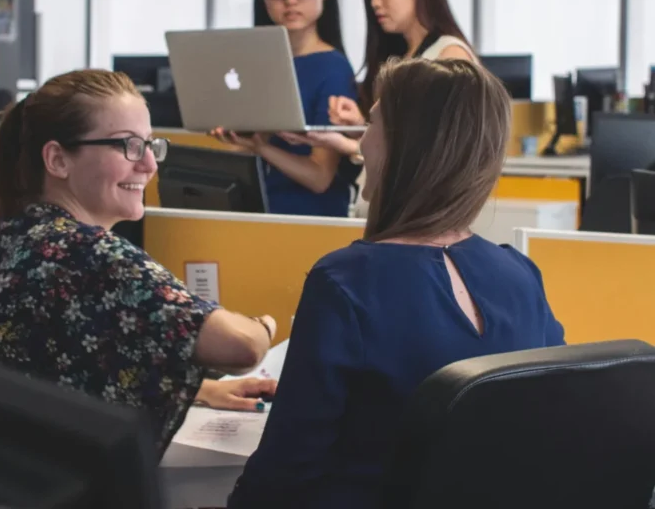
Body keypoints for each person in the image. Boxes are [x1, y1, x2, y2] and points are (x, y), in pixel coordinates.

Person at [227, 59, 566, 509]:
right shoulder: (520, 275)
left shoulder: (345, 282)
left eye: (372, 124)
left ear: (406, 148)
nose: (362, 142)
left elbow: (284, 472)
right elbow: (557, 420)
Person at [0, 69, 277, 456]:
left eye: (150, 145)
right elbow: (242, 348)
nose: (150, 165)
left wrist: (201, 389)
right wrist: (265, 326)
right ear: (57, 159)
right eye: (128, 146)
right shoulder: (89, 253)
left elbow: (54, 367)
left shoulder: (4, 235)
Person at [281, 0, 476, 197]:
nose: (374, 2)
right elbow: (401, 139)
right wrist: (361, 126)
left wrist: (350, 146)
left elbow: (436, 159)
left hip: (418, 224)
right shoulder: (404, 57)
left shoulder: (449, 56)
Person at [212, 0, 360, 217]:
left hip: (306, 220)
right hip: (256, 212)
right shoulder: (257, 62)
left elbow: (320, 178)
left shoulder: (332, 68)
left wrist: (262, 148)